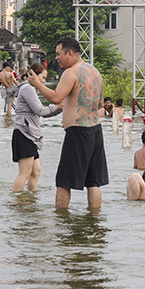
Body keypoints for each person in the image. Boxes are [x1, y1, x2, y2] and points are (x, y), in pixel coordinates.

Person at [28, 37, 108, 209]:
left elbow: (56, 97)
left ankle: (61, 221)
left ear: (70, 53)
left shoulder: (71, 72)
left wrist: (37, 84)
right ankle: (94, 222)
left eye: (59, 54)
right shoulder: (95, 72)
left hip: (78, 133)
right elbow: (99, 105)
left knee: (63, 182)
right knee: (93, 182)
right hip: (95, 130)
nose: (57, 58)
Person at [12, 63, 62, 192]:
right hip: (24, 134)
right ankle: (16, 201)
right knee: (25, 172)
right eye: (43, 77)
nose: (44, 81)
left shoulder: (31, 89)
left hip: (29, 134)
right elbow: (40, 110)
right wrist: (56, 106)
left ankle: (31, 199)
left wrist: (59, 109)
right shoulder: (28, 88)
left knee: (35, 171)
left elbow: (43, 113)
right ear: (33, 75)